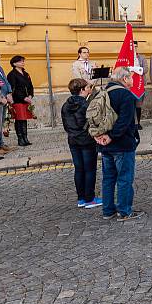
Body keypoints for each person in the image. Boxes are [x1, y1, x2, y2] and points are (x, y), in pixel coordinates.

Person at [96, 67, 143, 221]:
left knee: (108, 178)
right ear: (124, 79)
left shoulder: (103, 92)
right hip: (122, 144)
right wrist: (111, 136)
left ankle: (108, 211)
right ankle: (124, 211)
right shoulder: (125, 95)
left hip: (104, 144)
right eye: (131, 77)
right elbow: (125, 121)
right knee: (124, 178)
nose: (132, 80)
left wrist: (100, 137)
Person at [61, 78, 101, 208]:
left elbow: (66, 125)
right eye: (87, 88)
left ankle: (81, 198)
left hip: (73, 140)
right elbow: (92, 122)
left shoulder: (65, 105)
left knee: (79, 169)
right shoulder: (86, 105)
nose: (89, 89)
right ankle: (90, 198)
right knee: (89, 169)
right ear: (82, 90)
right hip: (86, 140)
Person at [7, 55, 34, 147]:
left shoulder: (26, 74)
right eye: (20, 61)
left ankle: (25, 138)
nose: (23, 63)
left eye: (23, 61)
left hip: (26, 99)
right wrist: (23, 97)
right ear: (14, 64)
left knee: (24, 119)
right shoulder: (12, 74)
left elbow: (30, 86)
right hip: (17, 100)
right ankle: (20, 139)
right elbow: (13, 89)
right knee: (19, 119)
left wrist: (30, 95)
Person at [133, 41, 147, 129]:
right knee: (130, 105)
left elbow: (145, 69)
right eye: (133, 46)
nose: (134, 48)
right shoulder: (126, 58)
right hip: (129, 85)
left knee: (138, 105)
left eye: (136, 46)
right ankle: (132, 123)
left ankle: (138, 122)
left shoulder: (141, 57)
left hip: (139, 84)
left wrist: (136, 69)